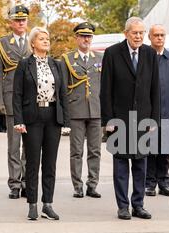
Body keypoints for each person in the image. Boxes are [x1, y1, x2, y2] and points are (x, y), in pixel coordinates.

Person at [100, 17, 160, 220]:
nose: (138, 36)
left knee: (141, 165)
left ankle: (138, 205)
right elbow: (105, 90)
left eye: (142, 33)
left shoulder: (150, 54)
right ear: (126, 33)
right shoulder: (112, 53)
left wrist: (154, 119)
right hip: (120, 119)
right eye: (135, 33)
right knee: (121, 165)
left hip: (143, 119)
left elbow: (155, 90)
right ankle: (123, 206)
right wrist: (108, 120)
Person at [12, 27, 70, 220]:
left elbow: (63, 94)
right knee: (33, 162)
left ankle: (48, 204)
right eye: (42, 39)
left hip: (52, 116)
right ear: (33, 43)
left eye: (47, 38)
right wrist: (18, 120)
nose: (46, 41)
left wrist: (66, 121)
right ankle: (32, 204)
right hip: (32, 117)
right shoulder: (24, 64)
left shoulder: (57, 64)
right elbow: (17, 94)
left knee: (50, 163)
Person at [0, 4, 31, 199]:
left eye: (23, 19)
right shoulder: (2, 44)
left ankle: (26, 182)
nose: (21, 23)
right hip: (10, 98)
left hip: (30, 100)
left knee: (29, 144)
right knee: (14, 145)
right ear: (11, 23)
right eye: (17, 20)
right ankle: (14, 184)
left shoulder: (33, 41)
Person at [61, 22, 103, 199]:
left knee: (95, 151)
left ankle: (92, 185)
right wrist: (64, 115)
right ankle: (77, 185)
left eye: (89, 36)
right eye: (83, 36)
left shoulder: (100, 58)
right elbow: (63, 87)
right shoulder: (68, 59)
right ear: (76, 38)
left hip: (96, 110)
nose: (86, 39)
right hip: (76, 110)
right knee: (76, 151)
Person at [145, 24, 169, 197]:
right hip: (150, 113)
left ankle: (164, 183)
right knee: (150, 150)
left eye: (162, 35)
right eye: (156, 35)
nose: (159, 38)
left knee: (165, 151)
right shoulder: (144, 58)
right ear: (149, 37)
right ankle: (149, 183)